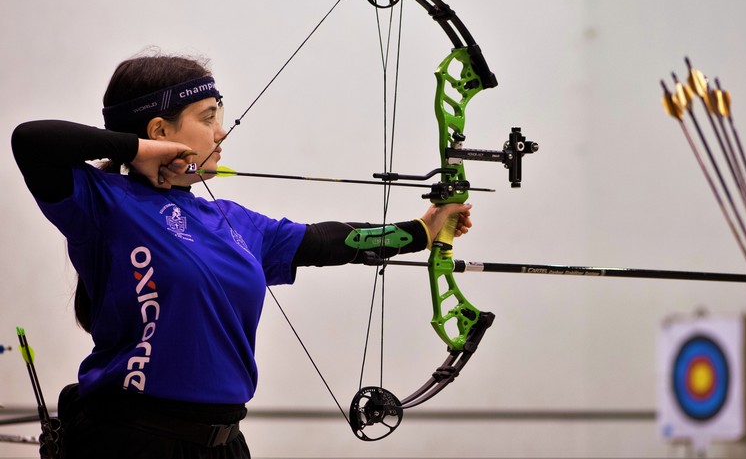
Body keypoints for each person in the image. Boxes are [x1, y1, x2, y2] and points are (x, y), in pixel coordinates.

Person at [11, 51, 472, 459]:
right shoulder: (103, 202)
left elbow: (326, 241)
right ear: (159, 129)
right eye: (208, 116)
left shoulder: (235, 222)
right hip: (129, 438)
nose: (222, 130)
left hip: (224, 444)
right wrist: (139, 150)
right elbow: (32, 140)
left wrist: (420, 231)